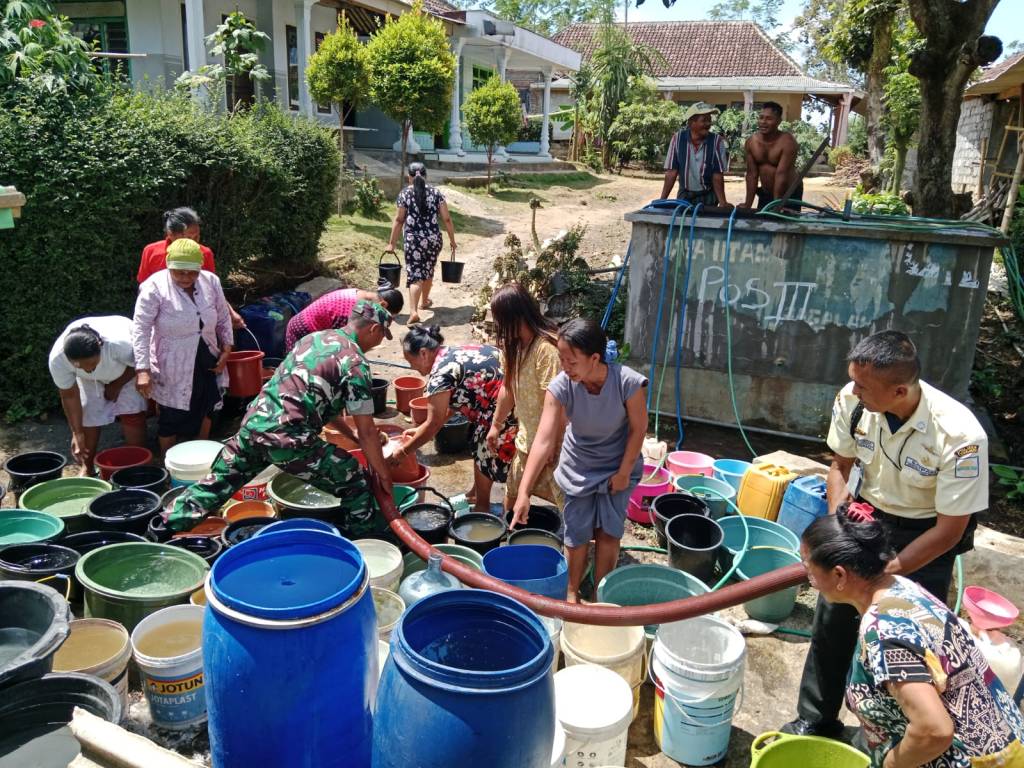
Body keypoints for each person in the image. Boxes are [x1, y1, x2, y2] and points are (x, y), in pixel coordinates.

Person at [783, 330, 988, 739]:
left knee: (906, 642)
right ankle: (816, 719)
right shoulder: (854, 401)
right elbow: (840, 467)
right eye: (853, 380)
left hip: (924, 535)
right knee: (833, 621)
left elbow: (950, 529)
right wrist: (840, 525)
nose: (853, 390)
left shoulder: (960, 436)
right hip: (866, 516)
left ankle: (896, 738)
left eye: (863, 385)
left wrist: (887, 571)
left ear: (898, 391)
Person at [801, 505, 1024, 767]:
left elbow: (934, 730)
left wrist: (890, 764)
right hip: (1007, 742)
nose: (807, 577)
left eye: (808, 567)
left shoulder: (884, 634)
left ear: (839, 574)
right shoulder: (899, 586)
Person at [167, 300, 396, 533]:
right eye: (381, 337)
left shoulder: (314, 339)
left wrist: (353, 437)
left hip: (255, 426)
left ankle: (160, 527)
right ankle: (364, 543)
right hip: (288, 437)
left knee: (215, 486)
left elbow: (322, 406)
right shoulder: (355, 363)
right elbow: (368, 431)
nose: (378, 343)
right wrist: (383, 474)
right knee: (354, 479)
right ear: (373, 329)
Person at [512, 319, 647, 602]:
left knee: (609, 534)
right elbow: (544, 439)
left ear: (595, 358)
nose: (565, 367)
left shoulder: (628, 383)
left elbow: (639, 429)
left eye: (571, 361)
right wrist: (524, 492)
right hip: (579, 467)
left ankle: (601, 597)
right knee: (576, 534)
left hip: (617, 464)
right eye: (562, 359)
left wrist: (623, 473)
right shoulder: (561, 386)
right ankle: (572, 594)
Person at [395, 326, 516, 513]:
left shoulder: (440, 375)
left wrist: (402, 452)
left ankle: (482, 507)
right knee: (478, 437)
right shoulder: (450, 352)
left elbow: (432, 425)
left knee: (483, 447)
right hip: (508, 393)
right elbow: (451, 404)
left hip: (504, 405)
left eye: (411, 362)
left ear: (424, 353)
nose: (412, 367)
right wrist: (421, 430)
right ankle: (476, 493)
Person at [133, 238, 234, 454]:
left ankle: (201, 454)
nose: (186, 278)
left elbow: (223, 317)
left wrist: (226, 348)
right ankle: (169, 461)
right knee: (172, 412)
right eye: (179, 272)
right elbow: (141, 328)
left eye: (192, 272)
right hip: (172, 359)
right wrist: (143, 370)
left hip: (206, 353)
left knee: (207, 404)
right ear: (169, 266)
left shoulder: (211, 281)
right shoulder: (154, 287)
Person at [485, 283, 565, 514]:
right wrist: (496, 425)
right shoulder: (514, 346)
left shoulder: (547, 349)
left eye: (500, 320)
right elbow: (508, 388)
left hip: (554, 446)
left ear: (516, 317)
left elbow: (560, 404)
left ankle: (580, 547)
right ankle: (510, 538)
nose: (497, 326)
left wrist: (553, 444)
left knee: (570, 509)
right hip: (527, 440)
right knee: (513, 498)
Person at [48, 318, 148, 477]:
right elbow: (69, 396)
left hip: (126, 371)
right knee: (88, 414)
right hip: (89, 382)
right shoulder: (58, 359)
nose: (89, 369)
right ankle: (87, 467)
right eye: (80, 365)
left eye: (93, 363)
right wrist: (77, 432)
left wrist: (117, 384)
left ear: (101, 349)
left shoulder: (119, 345)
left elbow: (140, 365)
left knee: (132, 413)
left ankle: (136, 466)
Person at [137, 207, 245, 329]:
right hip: (161, 322)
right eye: (188, 238)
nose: (194, 244)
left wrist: (230, 313)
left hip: (196, 322)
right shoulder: (151, 252)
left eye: (197, 238)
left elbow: (213, 291)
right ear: (170, 234)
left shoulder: (204, 253)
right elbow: (144, 290)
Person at [385, 163, 457, 324]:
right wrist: (452, 240)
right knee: (428, 270)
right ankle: (425, 301)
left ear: (409, 177)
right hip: (433, 239)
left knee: (415, 275)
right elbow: (446, 218)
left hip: (413, 241)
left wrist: (391, 243)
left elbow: (399, 219)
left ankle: (413, 312)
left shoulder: (404, 194)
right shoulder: (436, 193)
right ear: (426, 175)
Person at [285, 284, 403, 351]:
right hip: (302, 331)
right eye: (387, 316)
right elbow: (344, 346)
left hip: (314, 330)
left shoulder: (361, 298)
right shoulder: (351, 312)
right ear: (383, 305)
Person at [660, 102, 730, 207]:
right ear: (691, 123)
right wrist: (662, 200)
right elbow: (672, 172)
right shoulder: (677, 139)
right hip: (685, 197)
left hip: (708, 196)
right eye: (704, 120)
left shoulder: (717, 141)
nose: (708, 124)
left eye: (709, 120)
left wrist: (723, 203)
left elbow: (717, 175)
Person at [740, 102, 801, 211]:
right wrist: (747, 204)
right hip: (766, 193)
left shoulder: (787, 142)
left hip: (788, 194)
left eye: (769, 119)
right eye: (761, 118)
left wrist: (777, 203)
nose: (763, 122)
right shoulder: (751, 142)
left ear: (778, 121)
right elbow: (751, 175)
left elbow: (781, 174)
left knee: (787, 226)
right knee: (762, 223)